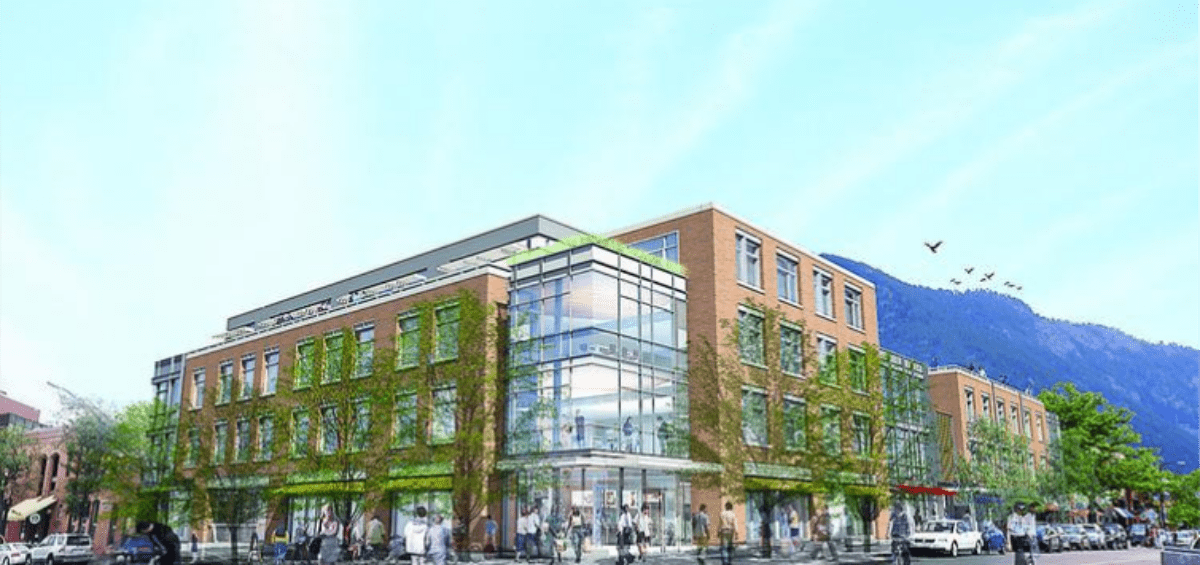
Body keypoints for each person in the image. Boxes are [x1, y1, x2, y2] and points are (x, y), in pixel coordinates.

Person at [888, 501, 913, 565]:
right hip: (895, 536)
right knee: (894, 551)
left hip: (904, 537)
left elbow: (910, 526)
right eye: (896, 508)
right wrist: (888, 533)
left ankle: (906, 562)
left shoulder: (906, 516)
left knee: (906, 552)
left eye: (898, 508)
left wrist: (910, 535)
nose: (897, 510)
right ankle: (894, 562)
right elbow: (890, 524)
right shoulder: (893, 516)